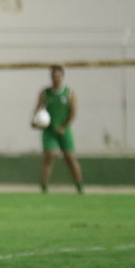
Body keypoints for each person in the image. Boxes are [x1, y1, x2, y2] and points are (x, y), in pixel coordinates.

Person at [31, 65, 84, 194]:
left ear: (62, 77)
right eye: (53, 76)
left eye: (58, 76)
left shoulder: (69, 93)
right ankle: (44, 187)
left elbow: (73, 113)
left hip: (64, 130)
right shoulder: (45, 93)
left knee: (70, 157)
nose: (55, 78)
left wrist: (64, 127)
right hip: (49, 130)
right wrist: (35, 122)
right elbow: (37, 111)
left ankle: (79, 186)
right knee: (49, 156)